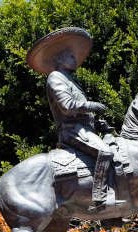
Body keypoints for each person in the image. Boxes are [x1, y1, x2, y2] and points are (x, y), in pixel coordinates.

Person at [27, 27, 119, 212]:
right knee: (105, 153)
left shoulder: (71, 80)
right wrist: (92, 105)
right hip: (71, 131)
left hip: (85, 129)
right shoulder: (56, 77)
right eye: (69, 56)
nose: (74, 59)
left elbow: (81, 112)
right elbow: (68, 107)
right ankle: (101, 199)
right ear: (59, 59)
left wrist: (98, 124)